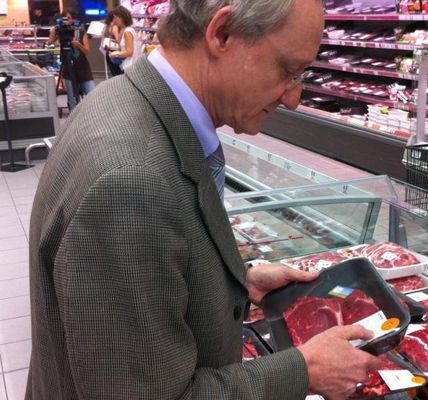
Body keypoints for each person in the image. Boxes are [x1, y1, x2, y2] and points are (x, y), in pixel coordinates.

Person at [27, 1, 382, 399]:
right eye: (289, 71)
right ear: (222, 33)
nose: (294, 99)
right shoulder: (131, 181)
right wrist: (303, 370)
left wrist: (230, 282)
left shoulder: (122, 100)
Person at [47, 9, 95, 110]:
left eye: (69, 18)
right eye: (65, 18)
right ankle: (74, 116)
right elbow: (49, 42)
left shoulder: (81, 32)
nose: (67, 21)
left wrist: (78, 45)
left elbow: (87, 51)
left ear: (73, 19)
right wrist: (53, 32)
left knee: (92, 95)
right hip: (68, 68)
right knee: (72, 98)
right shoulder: (60, 31)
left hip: (82, 68)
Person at [109, 5, 140, 71]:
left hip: (130, 67)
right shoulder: (124, 30)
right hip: (127, 66)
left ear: (122, 17)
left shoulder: (127, 32)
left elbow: (129, 52)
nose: (114, 20)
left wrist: (115, 54)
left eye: (115, 17)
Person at [102, 11, 124, 77]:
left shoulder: (106, 27)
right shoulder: (114, 27)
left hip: (108, 52)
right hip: (115, 53)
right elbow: (118, 40)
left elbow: (103, 39)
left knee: (114, 74)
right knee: (119, 74)